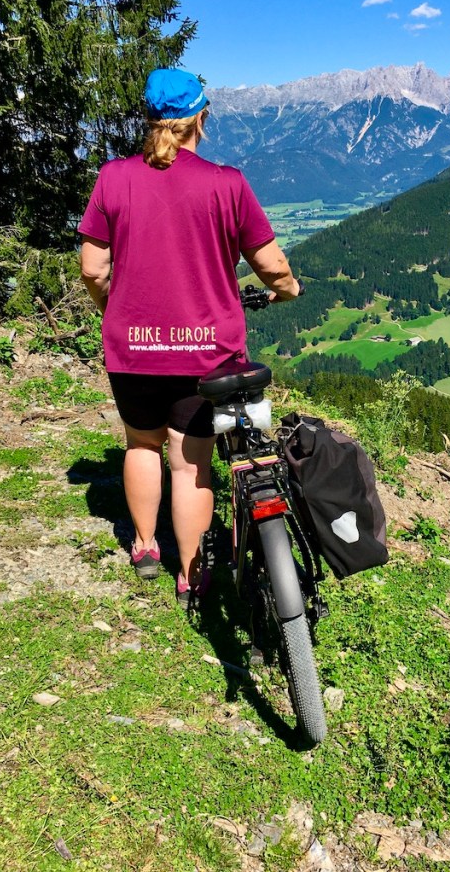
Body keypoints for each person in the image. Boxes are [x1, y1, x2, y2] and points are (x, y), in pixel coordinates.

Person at [79, 68, 302, 609]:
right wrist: (288, 288)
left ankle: (145, 546)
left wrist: (116, 310)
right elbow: (270, 264)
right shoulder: (226, 182)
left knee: (141, 445)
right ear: (200, 118)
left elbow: (92, 269)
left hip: (132, 348)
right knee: (190, 463)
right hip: (207, 353)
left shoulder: (113, 177)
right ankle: (190, 570)